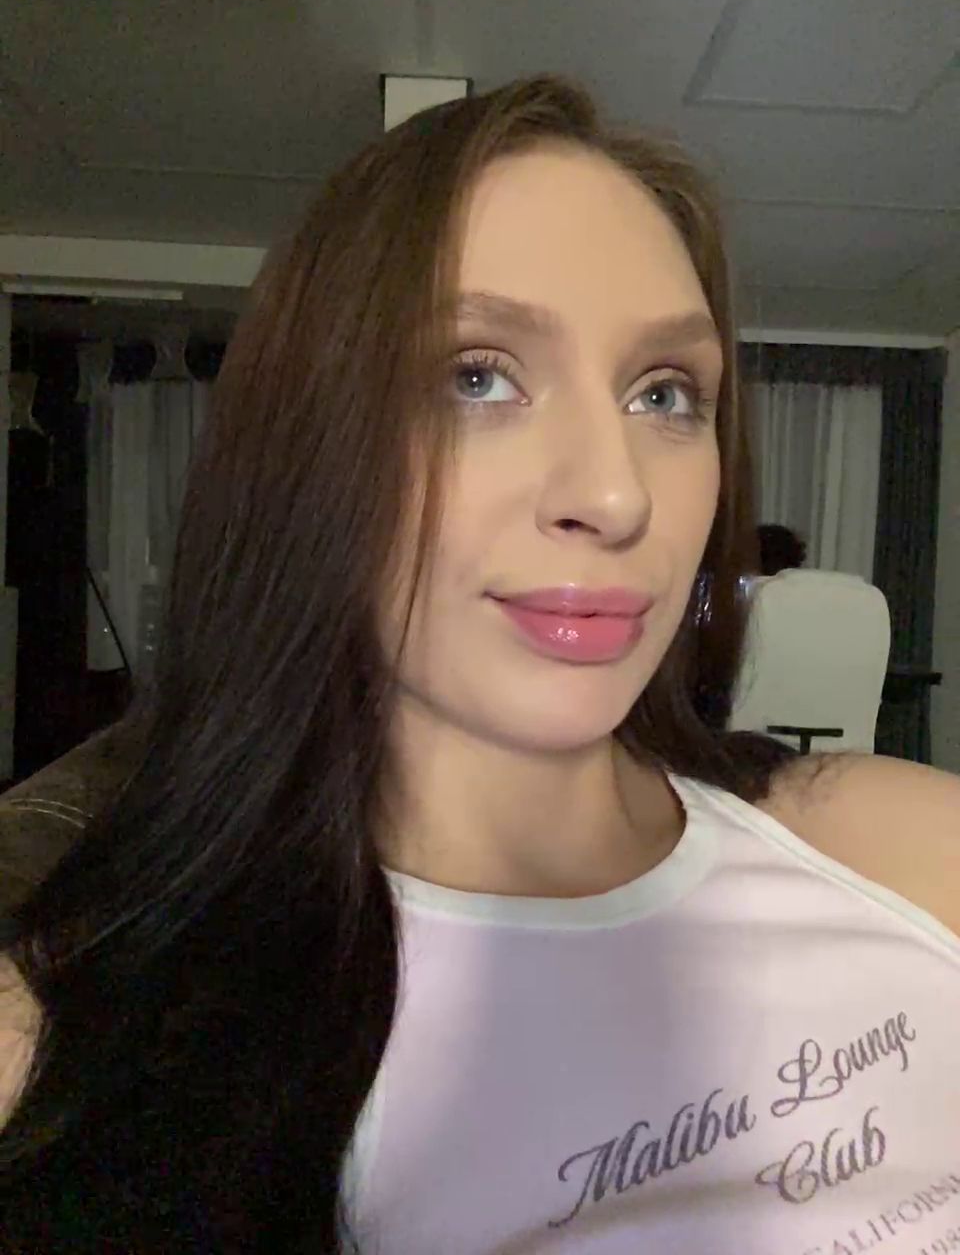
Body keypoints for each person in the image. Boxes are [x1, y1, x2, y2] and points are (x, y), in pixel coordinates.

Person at [1, 76, 958, 1253]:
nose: (615, 495)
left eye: (666, 393)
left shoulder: (900, 851)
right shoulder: (59, 1042)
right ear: (304, 445)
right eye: (478, 377)